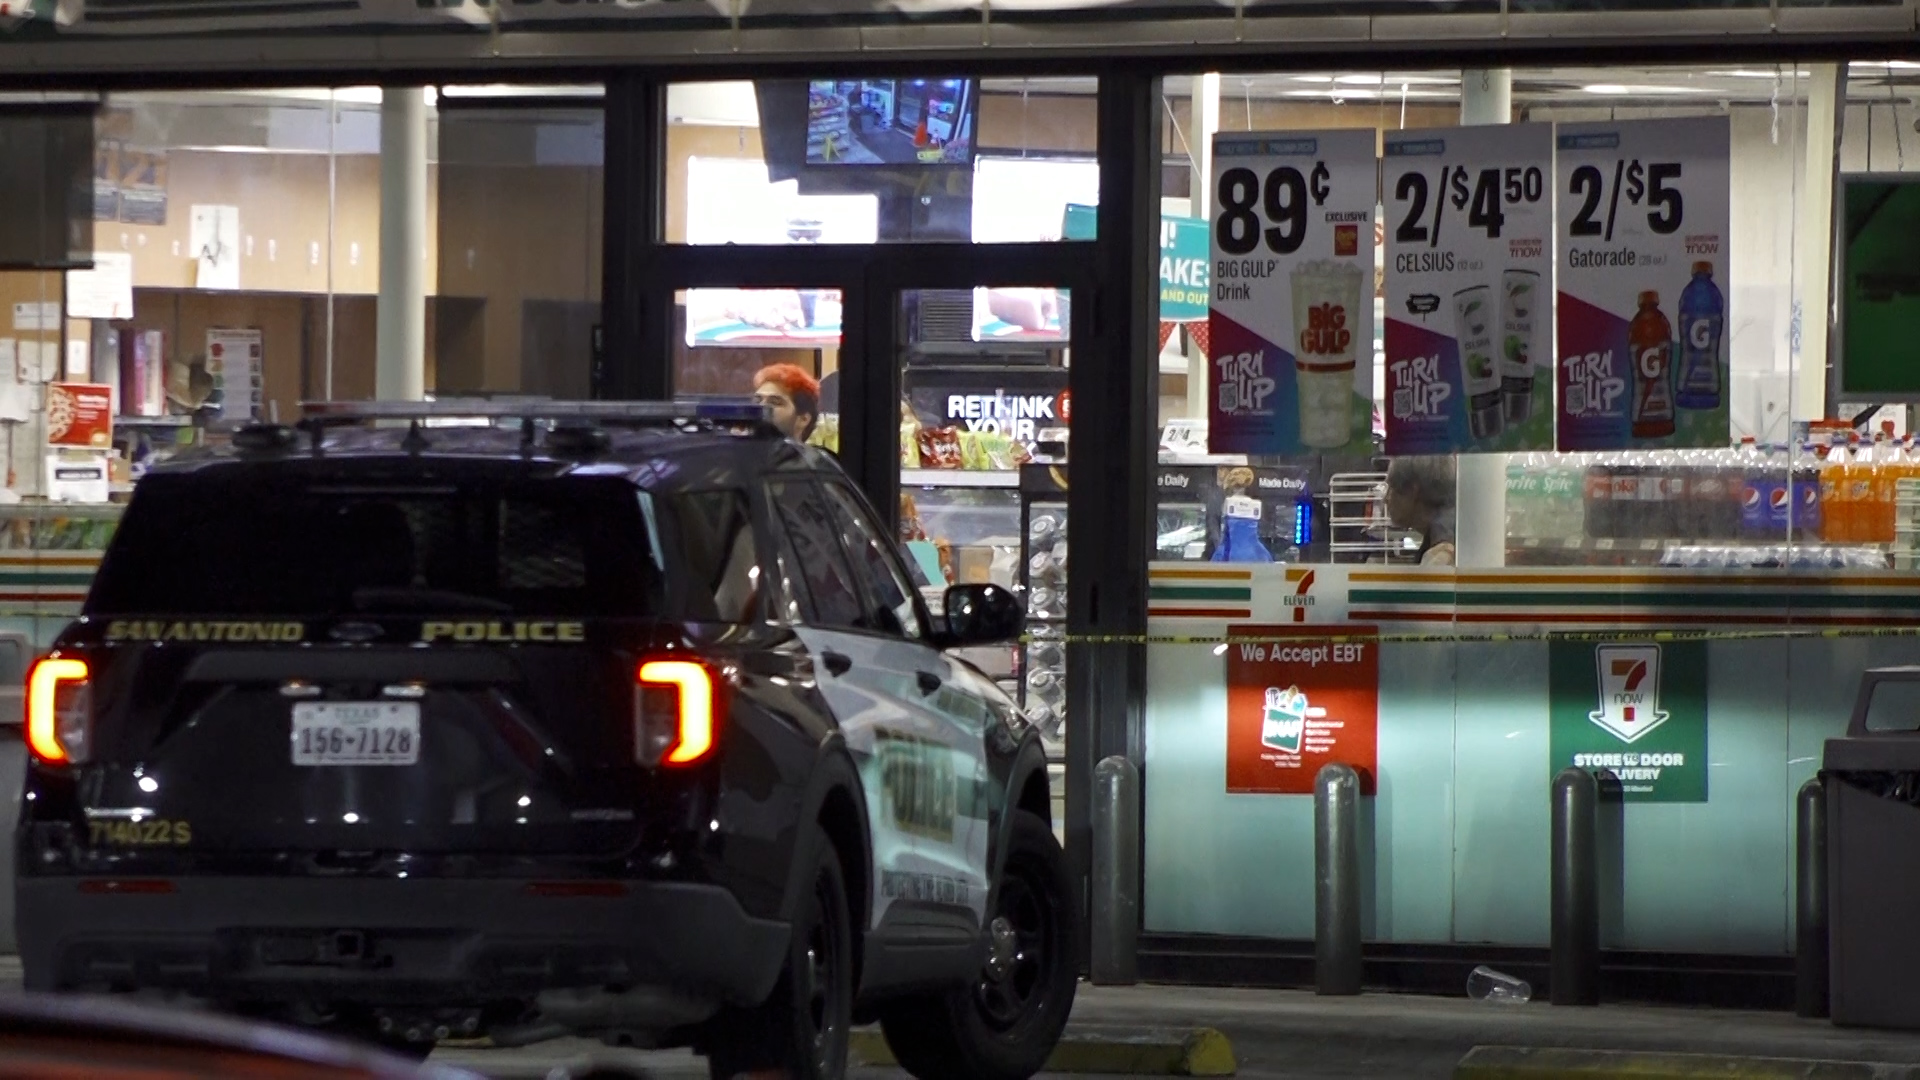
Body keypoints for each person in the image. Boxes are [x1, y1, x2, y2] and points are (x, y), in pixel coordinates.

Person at [1384, 455, 1457, 566]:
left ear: (1412, 491)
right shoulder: (1450, 531)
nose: (1385, 499)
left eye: (1391, 488)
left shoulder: (1441, 555)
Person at [751, 363, 819, 442]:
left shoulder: (814, 454)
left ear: (803, 419)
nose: (761, 407)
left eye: (774, 402)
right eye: (757, 401)